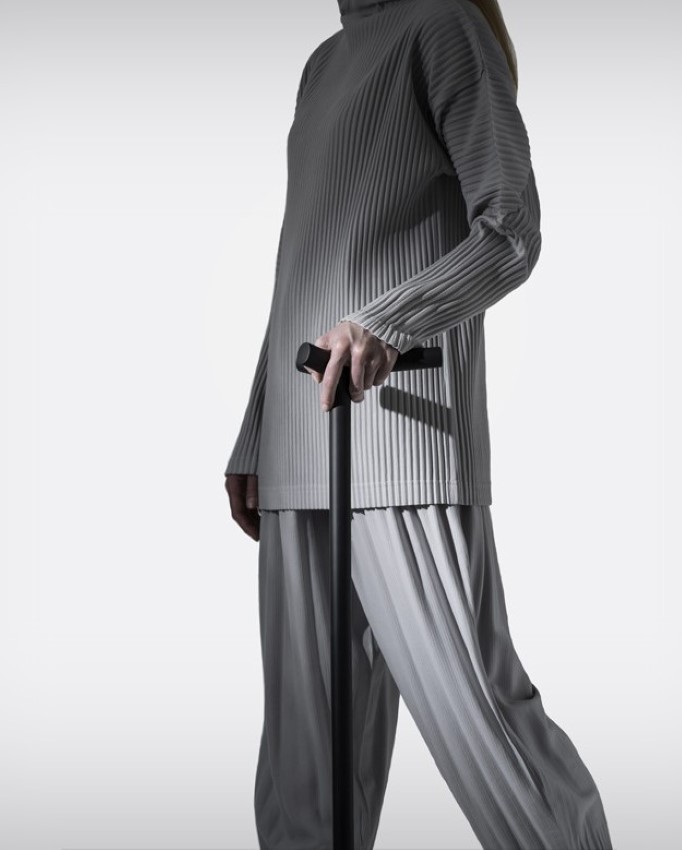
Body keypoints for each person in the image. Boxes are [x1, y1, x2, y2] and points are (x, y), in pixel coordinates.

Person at [223, 0, 614, 847]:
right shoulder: (323, 64)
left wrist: (389, 323)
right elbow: (303, 258)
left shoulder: (445, 28)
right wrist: (256, 429)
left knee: (483, 722)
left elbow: (510, 230)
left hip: (401, 432)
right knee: (303, 769)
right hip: (297, 439)